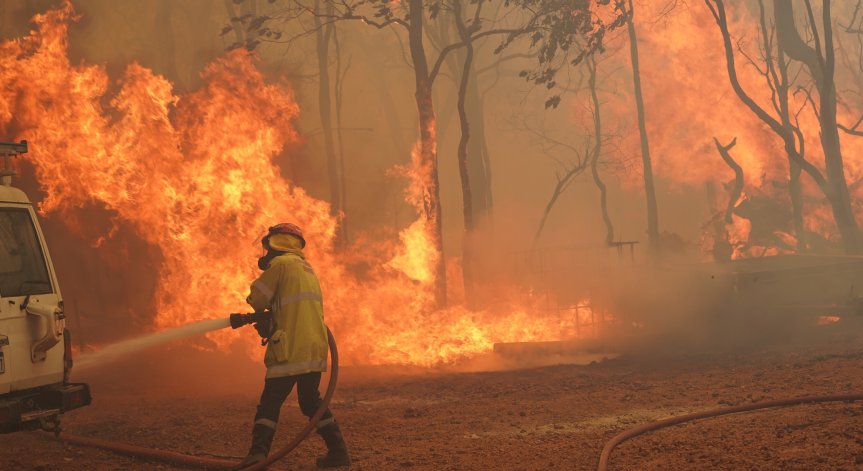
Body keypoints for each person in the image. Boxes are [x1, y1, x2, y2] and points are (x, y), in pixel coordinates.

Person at [236, 223, 350, 469]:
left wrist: (259, 302)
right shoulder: (307, 269)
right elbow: (293, 308)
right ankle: (339, 453)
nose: (265, 252)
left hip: (290, 349)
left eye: (267, 247)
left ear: (277, 243)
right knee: (310, 401)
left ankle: (258, 455)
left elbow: (257, 299)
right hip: (313, 347)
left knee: (271, 401)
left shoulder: (280, 266)